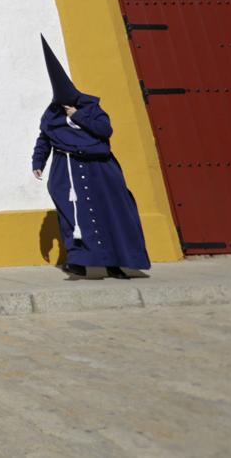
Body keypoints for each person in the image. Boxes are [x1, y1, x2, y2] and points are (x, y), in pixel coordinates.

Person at [31, 35, 150, 280]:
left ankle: (116, 263)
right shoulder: (51, 116)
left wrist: (77, 115)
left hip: (100, 170)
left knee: (110, 213)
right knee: (75, 217)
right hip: (68, 171)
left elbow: (104, 130)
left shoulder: (90, 109)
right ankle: (79, 263)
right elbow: (43, 139)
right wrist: (38, 163)